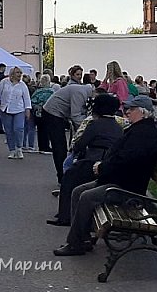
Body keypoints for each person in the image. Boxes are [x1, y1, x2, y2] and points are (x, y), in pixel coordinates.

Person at [53, 95, 157, 256]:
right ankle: (82, 239)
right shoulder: (139, 130)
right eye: (127, 108)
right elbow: (121, 158)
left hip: (127, 189)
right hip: (120, 181)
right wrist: (102, 167)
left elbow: (126, 161)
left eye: (131, 109)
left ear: (143, 113)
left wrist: (102, 168)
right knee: (78, 191)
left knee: (86, 196)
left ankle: (75, 244)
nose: (127, 112)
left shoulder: (143, 135)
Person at [46, 94, 123, 226]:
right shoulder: (118, 127)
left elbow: (80, 145)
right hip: (109, 163)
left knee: (69, 177)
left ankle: (65, 216)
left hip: (93, 161)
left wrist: (77, 151)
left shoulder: (95, 124)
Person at [41, 82, 94, 183]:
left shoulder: (82, 91)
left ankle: (64, 175)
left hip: (56, 112)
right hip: (53, 113)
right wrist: (88, 126)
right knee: (59, 146)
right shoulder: (80, 93)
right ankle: (62, 177)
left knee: (62, 146)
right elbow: (76, 115)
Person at [0, 66, 32, 159]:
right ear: (12, 74)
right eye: (17, 73)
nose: (19, 75)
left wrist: (27, 110)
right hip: (6, 109)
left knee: (19, 129)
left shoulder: (22, 85)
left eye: (20, 73)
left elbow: (26, 98)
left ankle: (19, 148)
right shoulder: (4, 82)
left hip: (19, 109)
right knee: (9, 131)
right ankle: (12, 150)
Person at [31, 74, 55, 154]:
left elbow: (32, 102)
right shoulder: (51, 92)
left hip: (38, 113)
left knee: (40, 130)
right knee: (47, 130)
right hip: (48, 112)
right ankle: (46, 146)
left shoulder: (37, 92)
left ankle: (41, 146)